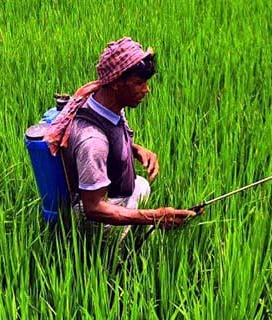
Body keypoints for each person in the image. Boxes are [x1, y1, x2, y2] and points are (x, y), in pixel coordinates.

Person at [46, 37, 197, 231]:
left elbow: (113, 134)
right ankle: (111, 255)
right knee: (129, 226)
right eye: (139, 83)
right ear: (117, 82)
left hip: (106, 189)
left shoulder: (105, 102)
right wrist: (155, 217)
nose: (146, 89)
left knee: (141, 185)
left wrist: (135, 149)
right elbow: (93, 208)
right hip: (91, 215)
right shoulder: (92, 141)